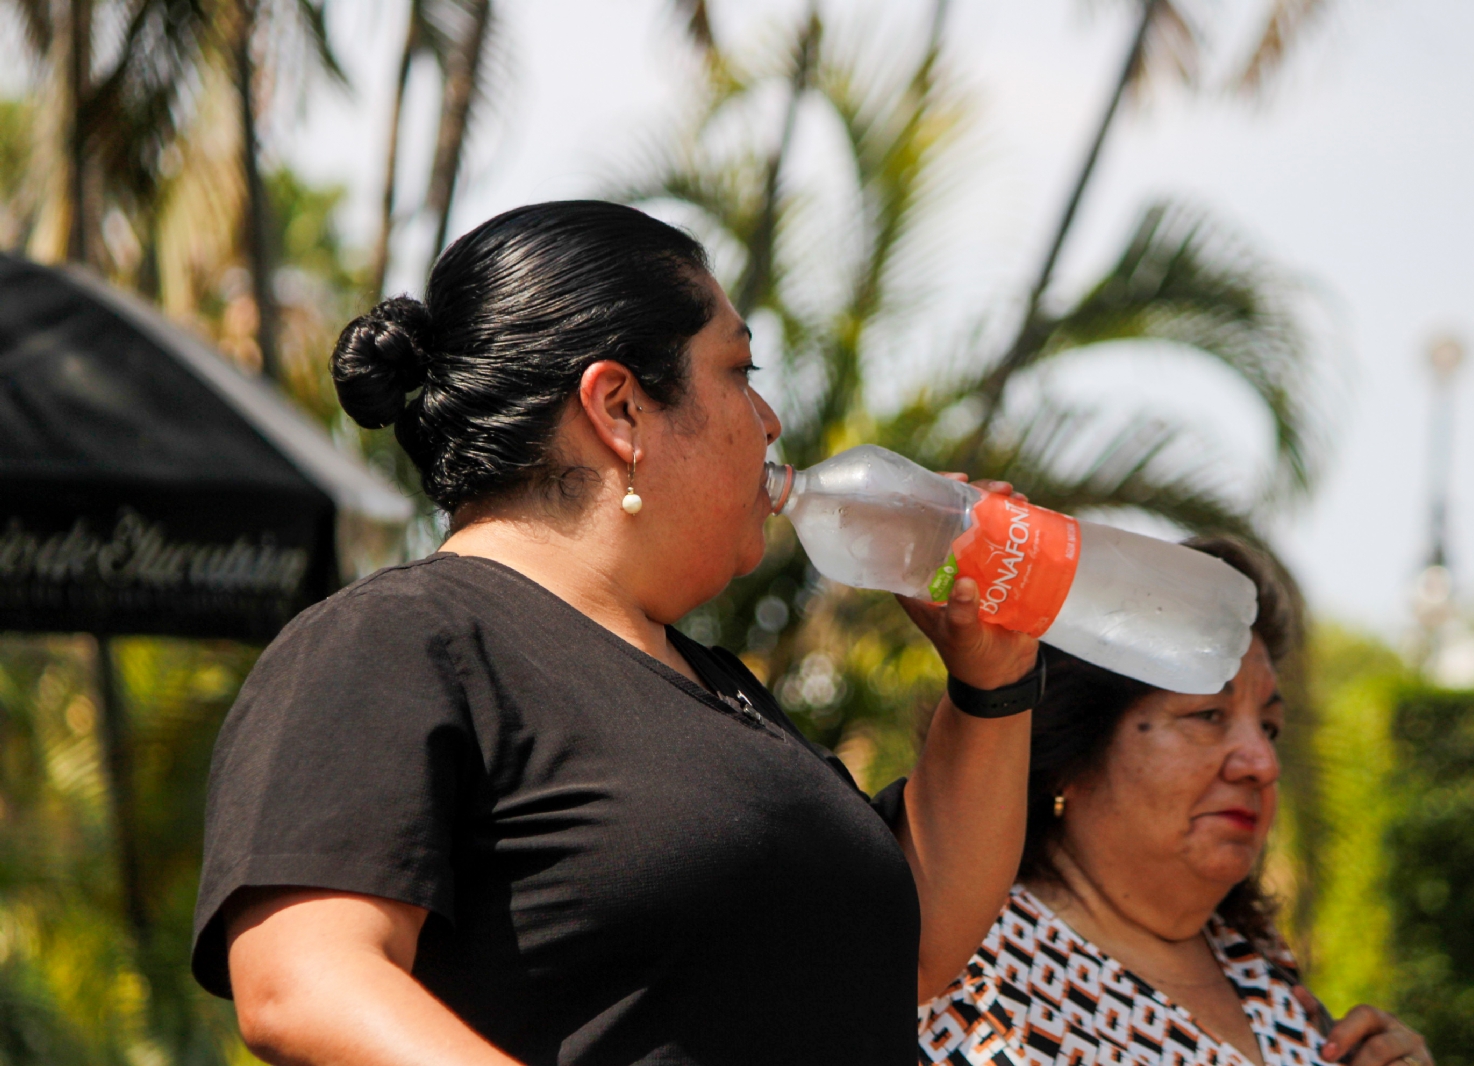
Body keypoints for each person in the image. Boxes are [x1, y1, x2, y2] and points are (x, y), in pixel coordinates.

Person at [191, 200, 1044, 1066]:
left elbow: (915, 950)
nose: (771, 420)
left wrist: (992, 681)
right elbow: (304, 981)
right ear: (620, 407)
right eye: (740, 370)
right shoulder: (395, 640)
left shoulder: (716, 684)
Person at [918, 538, 1434, 1066]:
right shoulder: (957, 966)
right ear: (1074, 751)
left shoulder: (1256, 962)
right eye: (1209, 715)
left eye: (1270, 728)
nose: (1262, 763)